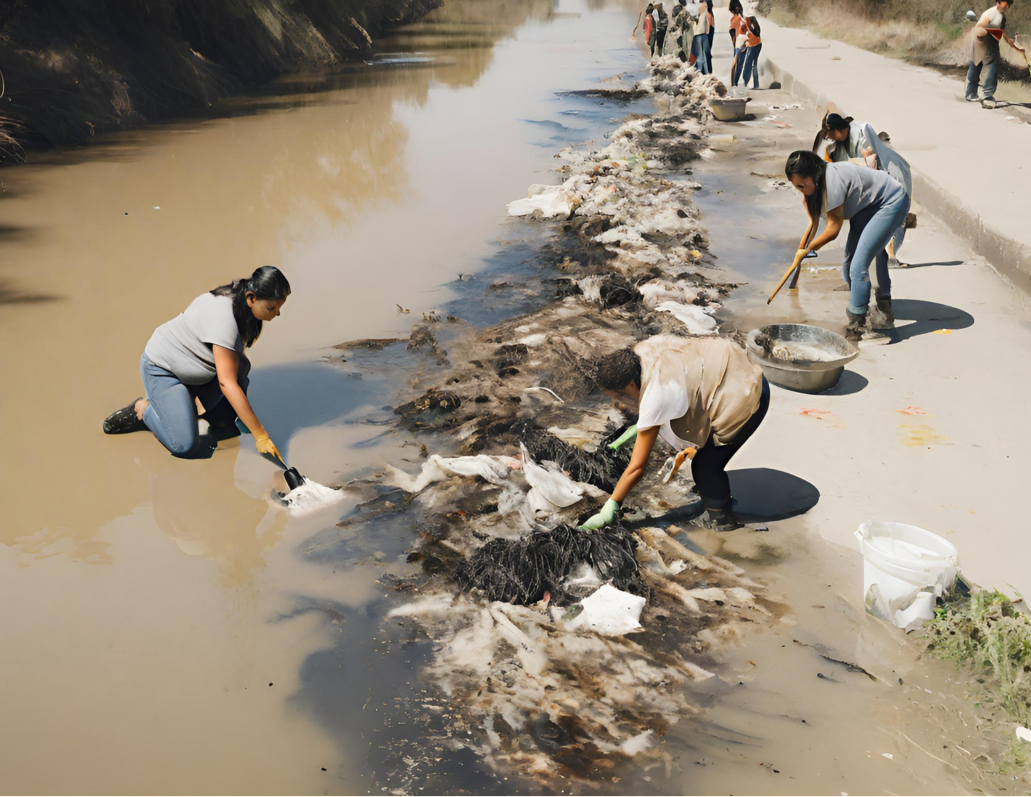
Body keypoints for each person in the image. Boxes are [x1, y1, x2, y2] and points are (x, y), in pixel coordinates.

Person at [580, 337, 769, 532]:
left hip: (748, 398)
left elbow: (637, 468)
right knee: (704, 452)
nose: (617, 403)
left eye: (619, 396)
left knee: (706, 465)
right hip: (738, 370)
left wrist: (611, 505)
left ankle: (720, 518)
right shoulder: (642, 353)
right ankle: (717, 496)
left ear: (631, 385)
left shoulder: (656, 394)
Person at [103, 265, 291, 461]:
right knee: (185, 445)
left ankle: (186, 404)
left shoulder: (241, 303)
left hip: (193, 367)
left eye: (279, 307)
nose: (277, 313)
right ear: (252, 298)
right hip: (163, 371)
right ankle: (146, 410)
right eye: (272, 307)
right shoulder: (224, 317)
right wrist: (260, 435)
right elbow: (226, 382)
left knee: (227, 422)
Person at [785, 150, 910, 342]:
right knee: (850, 262)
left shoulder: (832, 182)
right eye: (796, 187)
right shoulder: (813, 187)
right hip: (867, 206)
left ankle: (857, 325)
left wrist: (810, 249)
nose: (800, 190)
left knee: (859, 266)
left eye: (801, 185)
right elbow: (813, 224)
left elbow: (833, 229)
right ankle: (868, 308)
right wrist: (800, 251)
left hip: (890, 201)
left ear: (813, 176)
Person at [820, 113, 913, 268]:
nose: (831, 139)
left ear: (839, 130)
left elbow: (870, 163)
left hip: (893, 173)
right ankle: (878, 259)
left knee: (897, 217)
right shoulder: (840, 146)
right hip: (873, 181)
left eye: (831, 135)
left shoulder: (862, 132)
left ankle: (891, 256)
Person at [967, 0, 1025, 107]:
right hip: (986, 42)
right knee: (990, 67)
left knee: (976, 64)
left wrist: (1015, 46)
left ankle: (971, 93)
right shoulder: (994, 14)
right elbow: (982, 28)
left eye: (1009, 4)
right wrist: (989, 30)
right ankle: (987, 96)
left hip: (979, 42)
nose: (1007, 6)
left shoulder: (996, 14)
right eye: (1006, 3)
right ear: (999, 2)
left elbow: (1001, 32)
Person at [738, 16, 762, 89]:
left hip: (752, 47)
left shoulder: (750, 27)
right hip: (757, 45)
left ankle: (745, 82)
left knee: (748, 65)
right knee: (754, 64)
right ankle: (756, 84)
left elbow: (745, 34)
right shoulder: (755, 26)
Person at [689, 2, 710, 73]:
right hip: (696, 34)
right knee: (699, 55)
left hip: (704, 34)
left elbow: (707, 22)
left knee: (706, 54)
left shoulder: (705, 12)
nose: (705, 7)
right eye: (704, 5)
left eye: (706, 6)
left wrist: (707, 31)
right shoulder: (695, 10)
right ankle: (700, 71)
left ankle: (706, 72)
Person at [729, 1, 746, 85]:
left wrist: (734, 43)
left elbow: (732, 33)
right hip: (745, 43)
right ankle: (734, 82)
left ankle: (733, 84)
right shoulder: (743, 18)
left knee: (735, 64)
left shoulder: (734, 19)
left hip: (738, 44)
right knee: (739, 64)